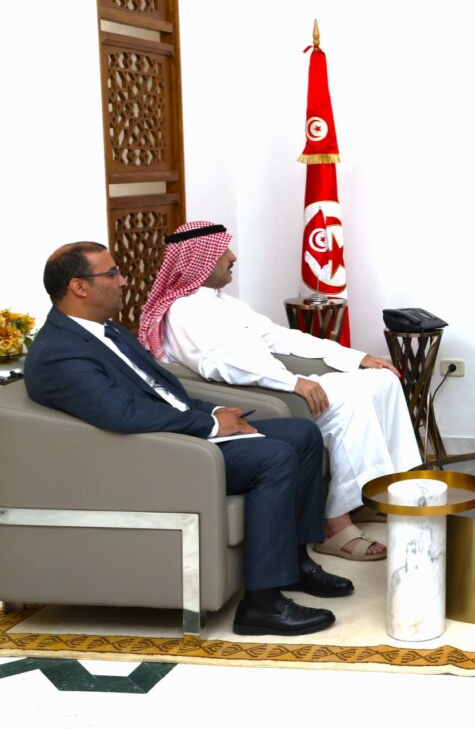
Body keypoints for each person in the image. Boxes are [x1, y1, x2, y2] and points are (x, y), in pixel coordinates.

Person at [24, 242, 354, 637]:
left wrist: (213, 412)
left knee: (303, 434)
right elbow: (122, 414)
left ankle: (293, 565)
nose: (124, 281)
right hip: (156, 456)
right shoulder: (59, 352)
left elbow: (163, 391)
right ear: (78, 287)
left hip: (178, 435)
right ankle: (262, 605)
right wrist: (209, 426)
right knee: (273, 457)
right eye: (111, 274)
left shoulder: (107, 331)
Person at [138, 221, 422, 563]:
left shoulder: (225, 304)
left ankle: (378, 492)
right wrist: (292, 383)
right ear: (199, 260)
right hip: (254, 396)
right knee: (353, 401)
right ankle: (335, 524)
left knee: (382, 379)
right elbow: (219, 366)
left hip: (279, 382)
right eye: (223, 251)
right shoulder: (183, 311)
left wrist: (355, 357)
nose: (232, 257)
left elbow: (280, 337)